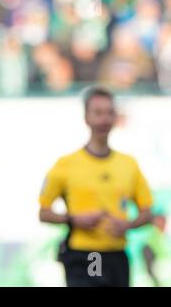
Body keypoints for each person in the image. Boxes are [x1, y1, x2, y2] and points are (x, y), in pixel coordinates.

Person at [38, 87, 152, 287]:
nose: (104, 119)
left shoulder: (129, 164)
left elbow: (146, 212)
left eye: (109, 113)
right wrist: (73, 219)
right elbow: (44, 213)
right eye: (98, 113)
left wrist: (128, 225)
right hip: (87, 254)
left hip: (117, 256)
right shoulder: (66, 165)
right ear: (86, 118)